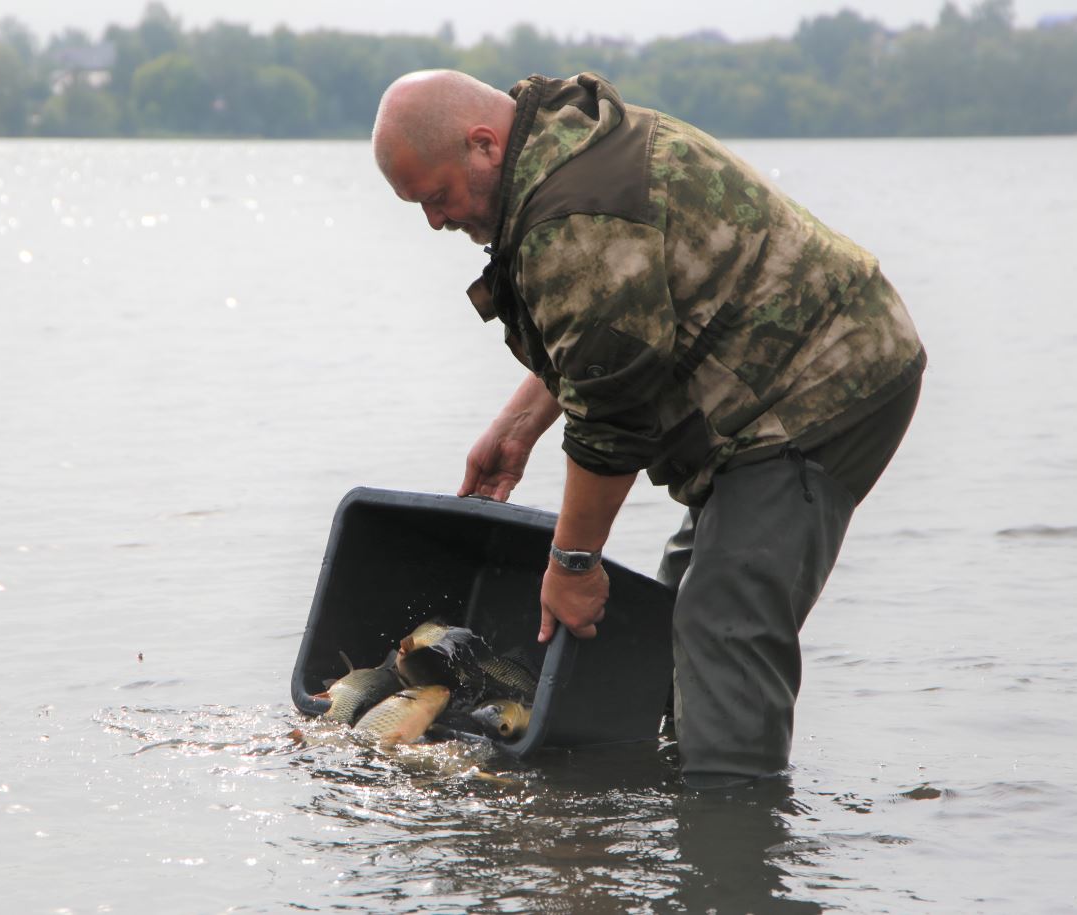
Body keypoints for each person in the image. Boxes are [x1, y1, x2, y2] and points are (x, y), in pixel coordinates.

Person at [371, 70, 925, 789]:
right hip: (770, 390)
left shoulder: (574, 209)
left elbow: (613, 410)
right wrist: (518, 424)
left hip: (821, 386)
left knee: (721, 629)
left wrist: (572, 563)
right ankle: (665, 780)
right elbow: (611, 323)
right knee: (665, 627)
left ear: (482, 145)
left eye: (437, 197)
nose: (436, 222)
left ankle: (732, 838)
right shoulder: (559, 146)